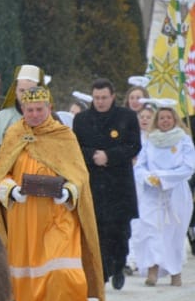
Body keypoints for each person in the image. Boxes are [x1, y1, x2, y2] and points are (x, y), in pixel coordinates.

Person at [0, 86, 105, 301]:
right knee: (29, 276)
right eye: (29, 110)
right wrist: (10, 189)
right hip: (24, 216)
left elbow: (80, 175)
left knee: (59, 273)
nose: (34, 114)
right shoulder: (16, 134)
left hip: (57, 216)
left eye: (39, 109)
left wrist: (68, 191)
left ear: (49, 109)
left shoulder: (63, 135)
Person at [73, 78, 141, 290]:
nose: (100, 102)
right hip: (94, 184)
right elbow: (75, 148)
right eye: (96, 98)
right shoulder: (82, 119)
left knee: (120, 230)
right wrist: (92, 155)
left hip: (119, 183)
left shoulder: (127, 117)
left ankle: (119, 265)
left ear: (112, 97)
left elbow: (134, 145)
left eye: (104, 98)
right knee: (98, 229)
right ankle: (101, 270)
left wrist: (109, 156)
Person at [132, 101, 195, 287]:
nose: (165, 121)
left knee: (173, 233)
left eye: (168, 118)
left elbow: (189, 167)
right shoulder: (151, 140)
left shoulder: (183, 140)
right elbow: (140, 165)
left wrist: (164, 178)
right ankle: (153, 269)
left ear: (174, 119)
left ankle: (175, 271)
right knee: (150, 229)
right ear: (157, 121)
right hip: (153, 194)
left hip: (175, 193)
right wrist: (148, 177)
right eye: (161, 118)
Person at [125, 103, 157, 276]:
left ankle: (146, 258)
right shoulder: (131, 136)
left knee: (147, 222)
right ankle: (131, 259)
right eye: (141, 117)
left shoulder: (156, 138)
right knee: (133, 222)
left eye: (148, 117)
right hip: (133, 183)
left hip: (150, 185)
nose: (144, 120)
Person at [0, 64, 48, 146]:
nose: (25, 95)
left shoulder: (51, 119)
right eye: (22, 90)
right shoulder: (1, 119)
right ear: (15, 92)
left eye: (30, 91)